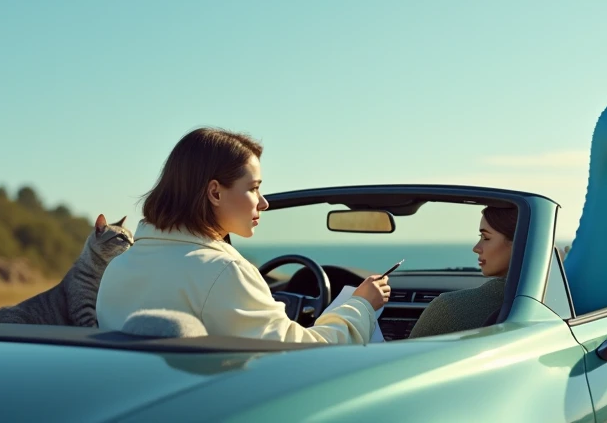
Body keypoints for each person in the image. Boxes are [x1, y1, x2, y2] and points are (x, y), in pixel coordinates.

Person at [95, 127, 390, 344]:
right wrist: (361, 305)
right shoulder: (223, 272)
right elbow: (307, 356)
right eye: (253, 188)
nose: (263, 203)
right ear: (215, 192)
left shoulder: (119, 268)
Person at [407, 206, 516, 338]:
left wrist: (373, 311)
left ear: (518, 242)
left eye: (486, 237)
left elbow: (404, 357)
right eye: (480, 237)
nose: (476, 248)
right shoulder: (545, 302)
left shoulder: (450, 308)